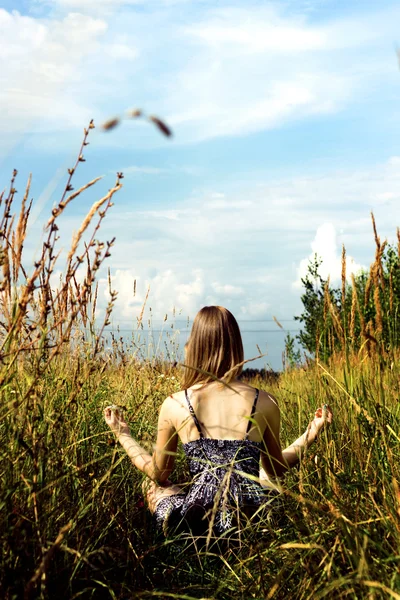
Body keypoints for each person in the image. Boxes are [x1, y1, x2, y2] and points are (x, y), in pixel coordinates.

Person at [104, 306, 332, 537]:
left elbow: (158, 473)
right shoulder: (264, 401)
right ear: (236, 346)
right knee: (264, 479)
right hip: (250, 523)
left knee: (152, 487)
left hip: (197, 527)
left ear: (195, 346)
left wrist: (123, 434)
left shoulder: (175, 403)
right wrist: (311, 433)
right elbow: (275, 468)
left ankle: (166, 543)